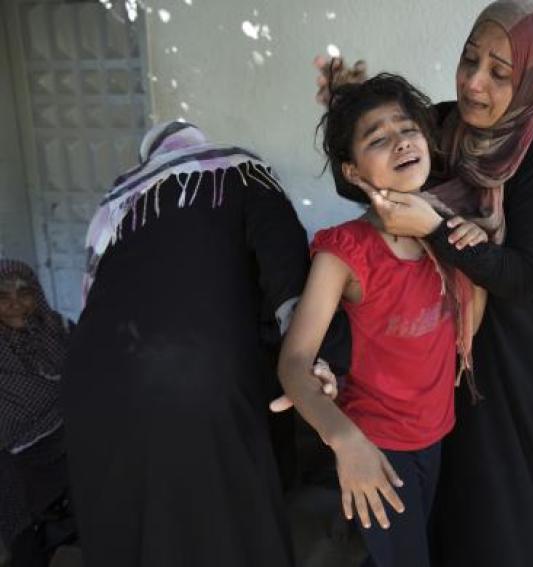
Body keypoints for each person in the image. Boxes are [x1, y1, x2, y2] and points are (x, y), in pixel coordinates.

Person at [316, 2, 533, 565]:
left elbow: (524, 276)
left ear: (531, 79)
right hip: (438, 339)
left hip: (519, 346)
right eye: (469, 61)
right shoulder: (441, 126)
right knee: (447, 481)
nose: (474, 83)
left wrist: (437, 230)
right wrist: (347, 116)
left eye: (500, 73)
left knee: (506, 488)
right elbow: (369, 186)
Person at [61, 122, 335, 567]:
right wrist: (305, 350)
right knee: (224, 517)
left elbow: (92, 294)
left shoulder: (119, 201)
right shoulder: (239, 169)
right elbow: (282, 255)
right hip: (192, 371)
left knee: (133, 520)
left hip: (94, 382)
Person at [279, 72, 488, 567]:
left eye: (408, 128)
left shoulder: (446, 229)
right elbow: (293, 362)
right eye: (377, 138)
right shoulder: (346, 251)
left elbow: (466, 326)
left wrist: (476, 256)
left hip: (435, 432)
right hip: (376, 446)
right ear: (353, 171)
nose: (401, 141)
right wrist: (345, 440)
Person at [0, 259, 74, 567]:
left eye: (24, 292)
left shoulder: (57, 329)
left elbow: (86, 376)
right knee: (25, 536)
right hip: (13, 455)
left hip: (67, 441)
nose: (15, 304)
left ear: (37, 294)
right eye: (3, 296)